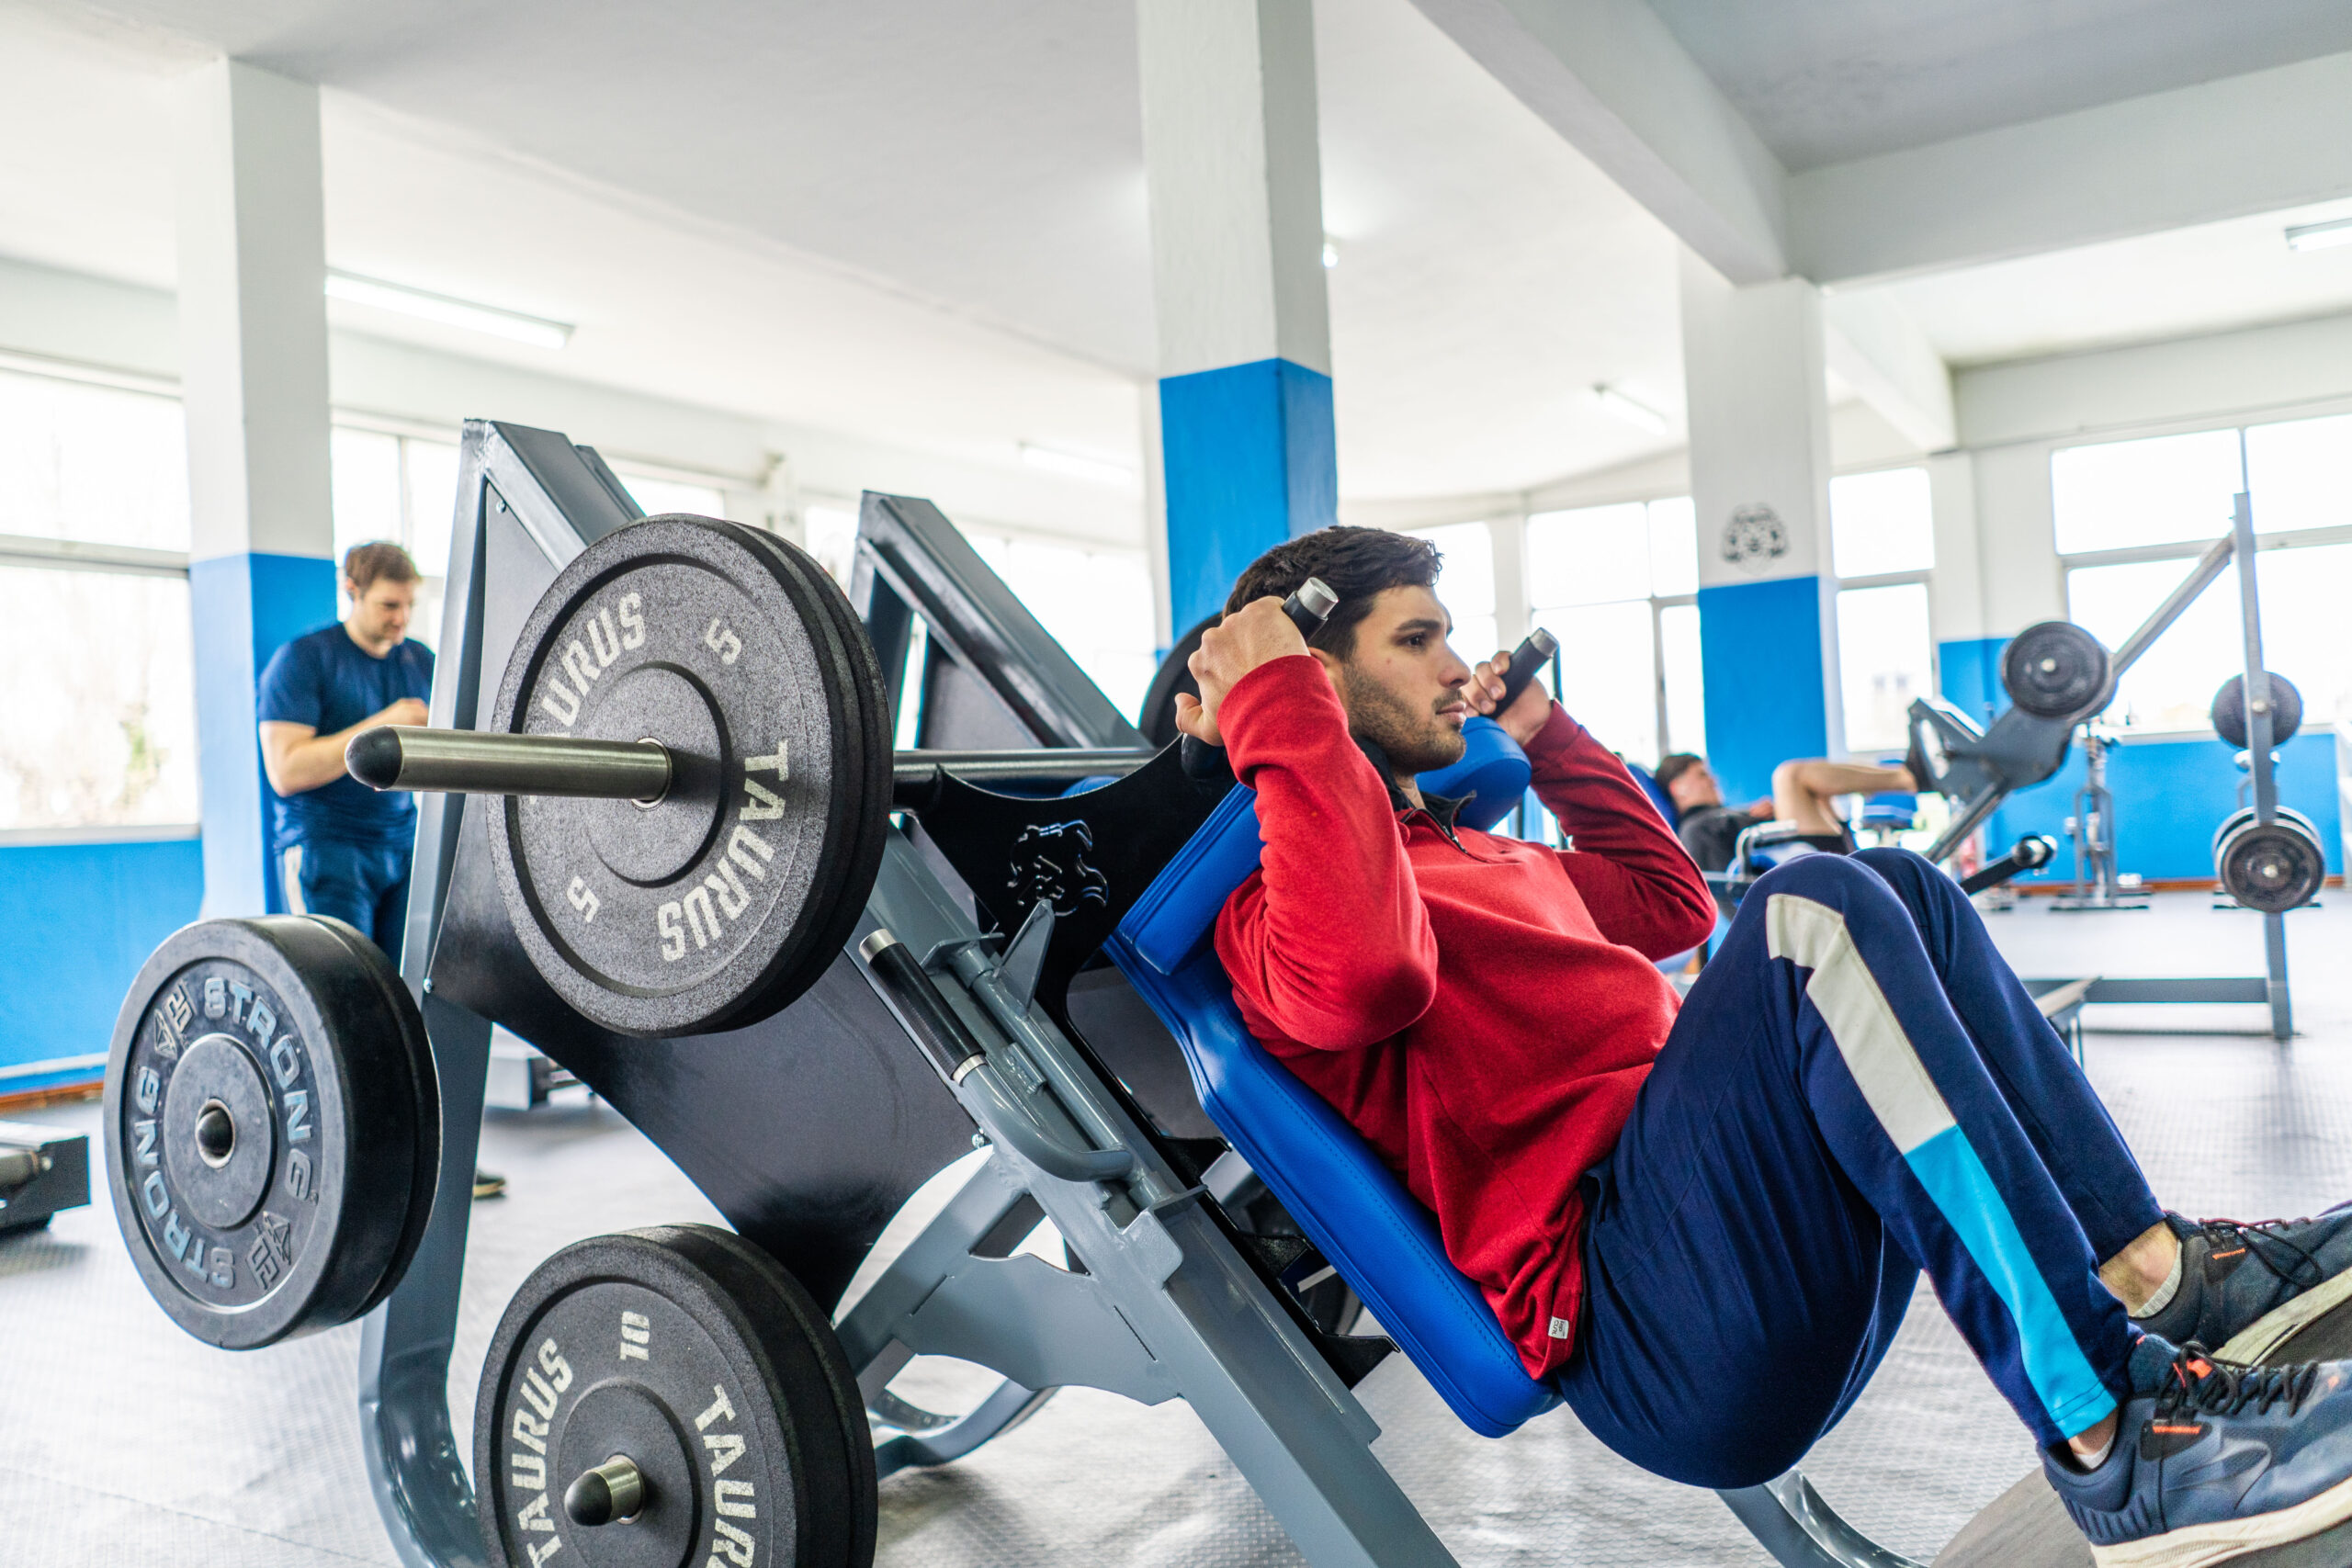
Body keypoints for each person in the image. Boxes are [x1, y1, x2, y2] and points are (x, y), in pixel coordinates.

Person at [1173, 525, 2352, 1564]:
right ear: (1317, 673)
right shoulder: (1272, 917)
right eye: (1416, 640)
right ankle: (2121, 1442)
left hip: (1735, 1241)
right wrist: (1276, 702)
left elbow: (1671, 902)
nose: (1453, 668)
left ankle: (2161, 1275)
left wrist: (1541, 727)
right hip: (1650, 1326)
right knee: (1810, 911)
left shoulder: (1484, 854)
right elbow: (1367, 978)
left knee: (1899, 883)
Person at [258, 542, 504, 1201]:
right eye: (389, 605)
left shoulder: (418, 662)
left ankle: (427, 1159)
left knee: (415, 1002)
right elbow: (286, 770)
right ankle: (342, 1166)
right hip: (326, 850)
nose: (400, 618)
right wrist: (386, 726)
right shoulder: (303, 661)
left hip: (402, 846)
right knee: (338, 1007)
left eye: (408, 606)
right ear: (352, 591)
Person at [1657, 750, 1918, 873]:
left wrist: (1752, 816)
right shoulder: (1694, 830)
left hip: (1807, 854)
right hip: (1800, 869)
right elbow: (1731, 891)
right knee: (1789, 775)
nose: (1713, 780)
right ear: (1678, 788)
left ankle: (1907, 775)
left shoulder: (1719, 816)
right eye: (1702, 775)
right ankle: (1911, 778)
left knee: (1816, 786)